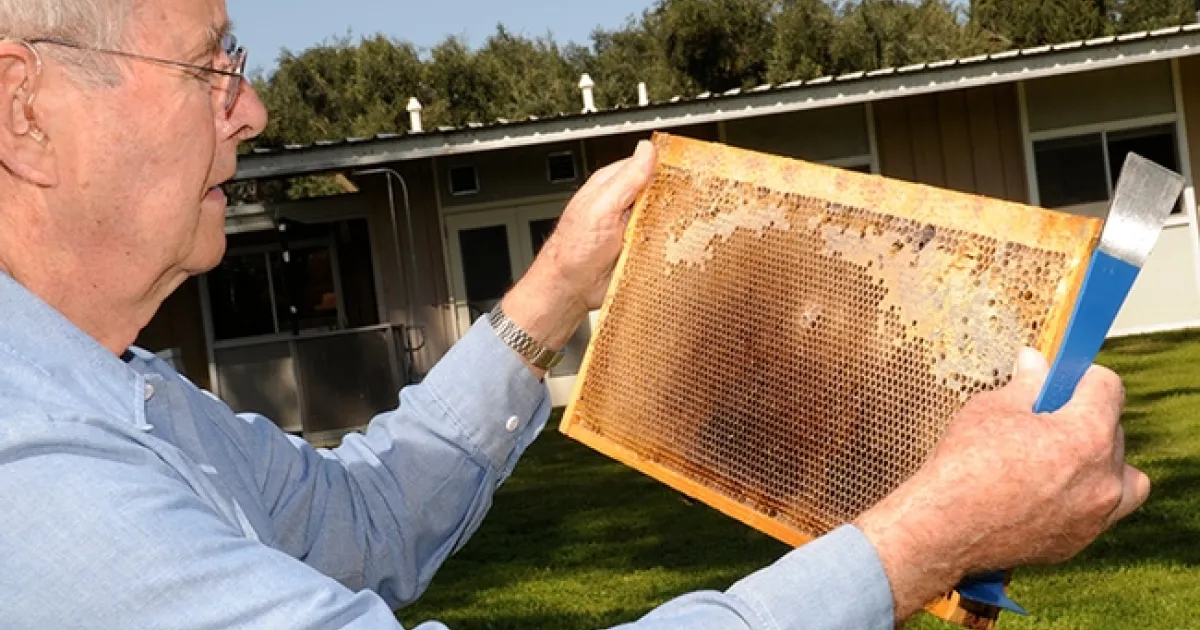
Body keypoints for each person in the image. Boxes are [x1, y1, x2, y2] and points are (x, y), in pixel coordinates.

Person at [0, 1, 1149, 628]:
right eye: (211, 67)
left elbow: (365, 520)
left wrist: (552, 294)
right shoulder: (32, 467)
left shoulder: (124, 394)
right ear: (23, 109)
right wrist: (922, 541)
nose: (251, 109)